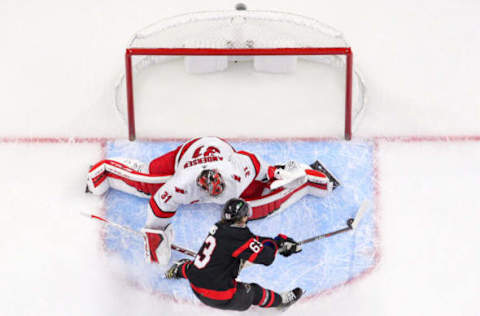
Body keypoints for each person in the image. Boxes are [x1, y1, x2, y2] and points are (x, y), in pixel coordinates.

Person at [86, 136, 340, 265]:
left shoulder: (238, 172)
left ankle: (308, 179)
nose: (212, 196)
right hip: (185, 156)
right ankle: (103, 171)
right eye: (207, 190)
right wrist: (155, 234)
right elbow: (159, 205)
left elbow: (259, 166)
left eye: (217, 191)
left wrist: (277, 173)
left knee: (261, 207)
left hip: (220, 150)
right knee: (145, 185)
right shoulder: (181, 183)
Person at [165, 198, 304, 311]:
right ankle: (281, 302)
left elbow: (250, 241)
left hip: (195, 285)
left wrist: (274, 241)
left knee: (200, 265)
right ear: (242, 217)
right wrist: (277, 244)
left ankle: (179, 270)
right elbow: (266, 257)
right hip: (218, 295)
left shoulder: (219, 227)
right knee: (255, 292)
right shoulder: (241, 237)